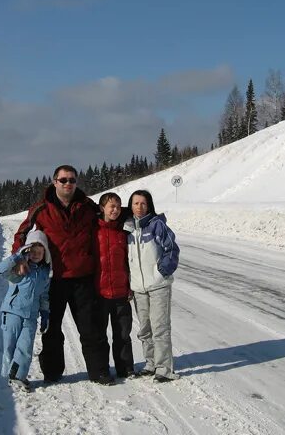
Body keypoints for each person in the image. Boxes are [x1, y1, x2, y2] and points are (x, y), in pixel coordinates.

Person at [12, 165, 113, 385]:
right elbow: (22, 232)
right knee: (52, 328)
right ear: (54, 182)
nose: (68, 184)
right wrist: (19, 258)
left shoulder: (88, 206)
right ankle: (52, 372)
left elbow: (109, 219)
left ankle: (100, 371)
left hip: (83, 277)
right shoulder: (41, 208)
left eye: (72, 180)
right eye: (63, 180)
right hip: (53, 279)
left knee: (90, 327)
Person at [124, 189, 180, 382]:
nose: (139, 207)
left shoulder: (157, 225)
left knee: (160, 327)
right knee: (145, 329)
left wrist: (161, 272)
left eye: (143, 203)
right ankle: (150, 363)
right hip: (139, 288)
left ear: (149, 206)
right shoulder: (128, 229)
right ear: (130, 205)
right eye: (135, 203)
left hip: (158, 286)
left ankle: (164, 369)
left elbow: (171, 248)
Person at [0, 230, 52, 392]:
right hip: (12, 312)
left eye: (39, 253)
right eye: (32, 251)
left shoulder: (44, 273)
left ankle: (18, 376)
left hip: (30, 316)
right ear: (27, 250)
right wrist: (17, 257)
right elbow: (0, 270)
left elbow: (44, 296)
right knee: (10, 346)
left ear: (45, 254)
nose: (35, 255)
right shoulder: (19, 267)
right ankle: (9, 377)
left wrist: (45, 314)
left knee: (25, 347)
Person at [94, 192, 134, 379]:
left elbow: (131, 261)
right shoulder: (93, 231)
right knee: (99, 335)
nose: (115, 210)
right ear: (102, 208)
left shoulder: (124, 232)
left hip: (121, 292)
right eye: (111, 206)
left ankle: (125, 368)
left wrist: (131, 285)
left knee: (123, 334)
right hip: (99, 293)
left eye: (118, 206)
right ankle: (101, 369)